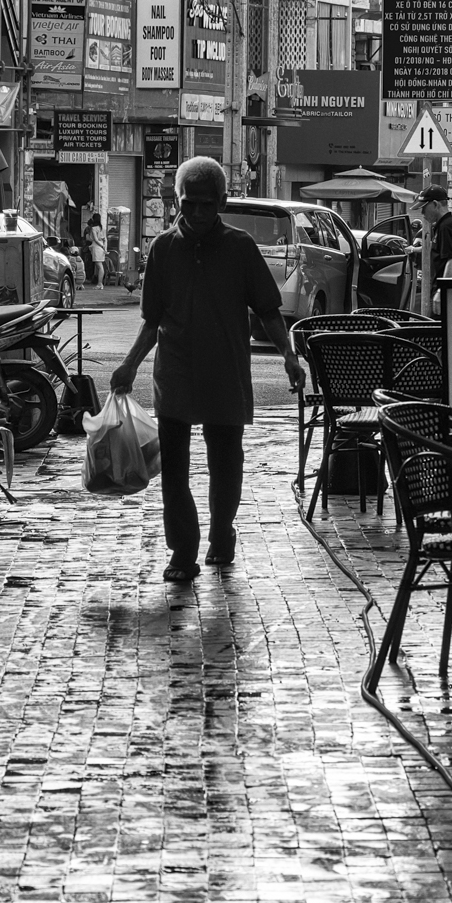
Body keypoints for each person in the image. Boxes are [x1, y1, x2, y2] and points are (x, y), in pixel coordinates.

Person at [110, 157, 306, 583]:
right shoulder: (163, 248)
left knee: (226, 462)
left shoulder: (240, 247)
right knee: (175, 469)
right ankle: (183, 551)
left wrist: (289, 356)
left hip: (225, 371)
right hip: (175, 372)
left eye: (206, 205)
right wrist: (128, 363)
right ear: (176, 202)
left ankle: (222, 533)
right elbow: (152, 320)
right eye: (188, 204)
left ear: (221, 201)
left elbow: (269, 311)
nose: (197, 213)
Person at [408, 185, 452, 311]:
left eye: (424, 208)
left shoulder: (446, 227)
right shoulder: (444, 226)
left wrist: (442, 291)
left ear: (435, 204)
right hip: (449, 294)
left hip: (450, 296)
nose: (422, 213)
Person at [86, 213, 107, 289]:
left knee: (99, 266)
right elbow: (105, 239)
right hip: (102, 247)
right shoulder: (102, 228)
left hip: (97, 247)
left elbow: (95, 239)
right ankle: (100, 283)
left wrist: (101, 246)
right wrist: (104, 247)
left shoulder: (94, 228)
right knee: (100, 266)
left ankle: (99, 284)